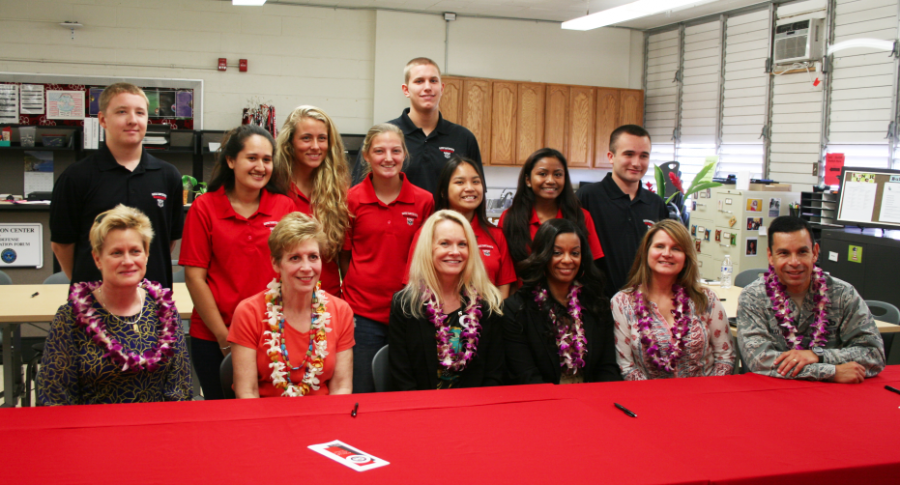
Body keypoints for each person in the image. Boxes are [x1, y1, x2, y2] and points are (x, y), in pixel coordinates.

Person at [179, 125, 295, 400]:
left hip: (272, 335)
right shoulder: (205, 207)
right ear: (231, 161)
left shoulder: (284, 207)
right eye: (251, 158)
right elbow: (195, 277)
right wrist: (224, 338)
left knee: (268, 420)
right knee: (222, 420)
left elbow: (294, 271)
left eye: (266, 160)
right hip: (214, 337)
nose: (260, 166)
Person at [37, 204, 191, 405]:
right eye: (116, 253)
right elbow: (54, 398)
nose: (128, 261)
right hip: (91, 431)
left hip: (155, 429)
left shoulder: (164, 310)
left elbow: (180, 390)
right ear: (97, 259)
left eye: (135, 251)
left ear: (146, 255)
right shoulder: (71, 316)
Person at [51, 83, 184, 288]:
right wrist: (87, 283)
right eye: (122, 112)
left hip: (153, 302)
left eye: (140, 112)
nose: (132, 120)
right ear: (103, 119)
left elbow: (166, 241)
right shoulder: (76, 177)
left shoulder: (168, 176)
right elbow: (62, 245)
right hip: (95, 306)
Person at [341, 123, 435, 393]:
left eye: (396, 150)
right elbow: (345, 256)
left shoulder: (423, 201)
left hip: (410, 313)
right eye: (379, 151)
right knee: (363, 390)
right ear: (367, 156)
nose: (388, 158)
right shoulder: (351, 200)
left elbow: (425, 258)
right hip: (362, 315)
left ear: (404, 154)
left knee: (405, 389)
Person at [736, 216, 884, 382]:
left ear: (814, 252)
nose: (794, 262)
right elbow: (760, 361)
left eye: (802, 252)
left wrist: (818, 355)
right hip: (773, 394)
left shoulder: (843, 294)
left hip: (833, 397)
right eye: (784, 253)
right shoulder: (753, 297)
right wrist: (831, 372)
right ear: (771, 256)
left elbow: (874, 354)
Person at [229, 213, 354, 397]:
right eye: (295, 258)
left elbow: (341, 388)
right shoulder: (249, 312)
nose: (306, 267)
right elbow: (247, 392)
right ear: (276, 263)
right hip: (266, 420)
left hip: (323, 420)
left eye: (313, 257)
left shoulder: (340, 311)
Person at [389, 210, 504, 390]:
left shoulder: (487, 303)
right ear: (428, 249)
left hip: (475, 407)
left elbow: (494, 374)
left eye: (462, 244)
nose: (455, 252)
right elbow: (401, 376)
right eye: (445, 243)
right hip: (421, 407)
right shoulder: (405, 304)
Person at [611, 220, 734, 380]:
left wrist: (708, 394)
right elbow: (627, 367)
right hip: (649, 398)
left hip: (705, 396)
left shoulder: (705, 299)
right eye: (660, 246)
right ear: (646, 252)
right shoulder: (622, 302)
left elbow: (725, 358)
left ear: (686, 258)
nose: (667, 253)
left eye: (676, 248)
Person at [503, 219, 620, 385]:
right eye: (557, 253)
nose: (567, 260)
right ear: (543, 255)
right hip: (542, 403)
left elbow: (607, 368)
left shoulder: (597, 304)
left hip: (592, 399)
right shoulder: (517, 309)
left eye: (575, 253)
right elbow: (525, 375)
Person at [350, 57, 482, 195]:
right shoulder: (382, 137)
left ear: (442, 88)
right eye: (419, 81)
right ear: (406, 90)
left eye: (433, 81)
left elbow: (476, 193)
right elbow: (358, 193)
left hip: (447, 217)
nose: (427, 87)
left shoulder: (463, 138)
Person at [403, 156, 517, 298]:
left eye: (476, 182)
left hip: (486, 317)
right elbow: (414, 285)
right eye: (460, 182)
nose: (470, 188)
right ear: (444, 191)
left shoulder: (497, 235)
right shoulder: (426, 233)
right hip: (436, 317)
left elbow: (503, 288)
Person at [577, 125, 668, 295]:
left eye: (643, 156)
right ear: (611, 157)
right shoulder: (587, 197)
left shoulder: (655, 204)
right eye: (629, 154)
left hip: (645, 306)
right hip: (598, 306)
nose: (636, 163)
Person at [275, 105, 350, 295]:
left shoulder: (338, 192)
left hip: (327, 298)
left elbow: (343, 256)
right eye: (306, 138)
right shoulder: (274, 187)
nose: (315, 146)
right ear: (290, 143)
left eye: (322, 138)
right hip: (281, 298)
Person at [499, 148, 604, 271]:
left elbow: (593, 265)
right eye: (542, 174)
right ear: (528, 180)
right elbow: (504, 270)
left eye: (558, 174)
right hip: (522, 289)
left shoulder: (581, 216)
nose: (551, 181)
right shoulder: (510, 217)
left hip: (571, 290)